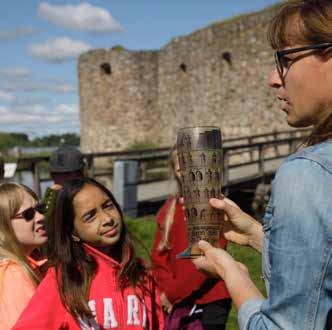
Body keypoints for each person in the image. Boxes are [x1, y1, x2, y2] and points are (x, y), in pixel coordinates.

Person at [193, 1, 332, 329]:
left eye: (285, 59)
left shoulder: (308, 172)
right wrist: (258, 234)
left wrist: (233, 273)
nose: (273, 79)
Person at [14, 177, 164, 329]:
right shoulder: (63, 279)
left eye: (108, 206)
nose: (107, 219)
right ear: (72, 231)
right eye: (90, 216)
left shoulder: (141, 272)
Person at [151, 146, 231, 329]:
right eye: (181, 169)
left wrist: (172, 293)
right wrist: (166, 289)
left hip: (211, 297)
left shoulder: (212, 206)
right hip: (179, 299)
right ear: (174, 172)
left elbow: (204, 261)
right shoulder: (169, 210)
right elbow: (159, 258)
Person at [0, 182, 47, 329]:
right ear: (4, 225)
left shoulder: (34, 263)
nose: (41, 217)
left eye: (40, 209)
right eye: (28, 214)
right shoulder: (13, 274)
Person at [44, 145, 86, 251]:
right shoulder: (52, 198)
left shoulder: (88, 195)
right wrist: (52, 195)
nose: (70, 178)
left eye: (68, 174)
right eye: (58, 174)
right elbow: (45, 229)